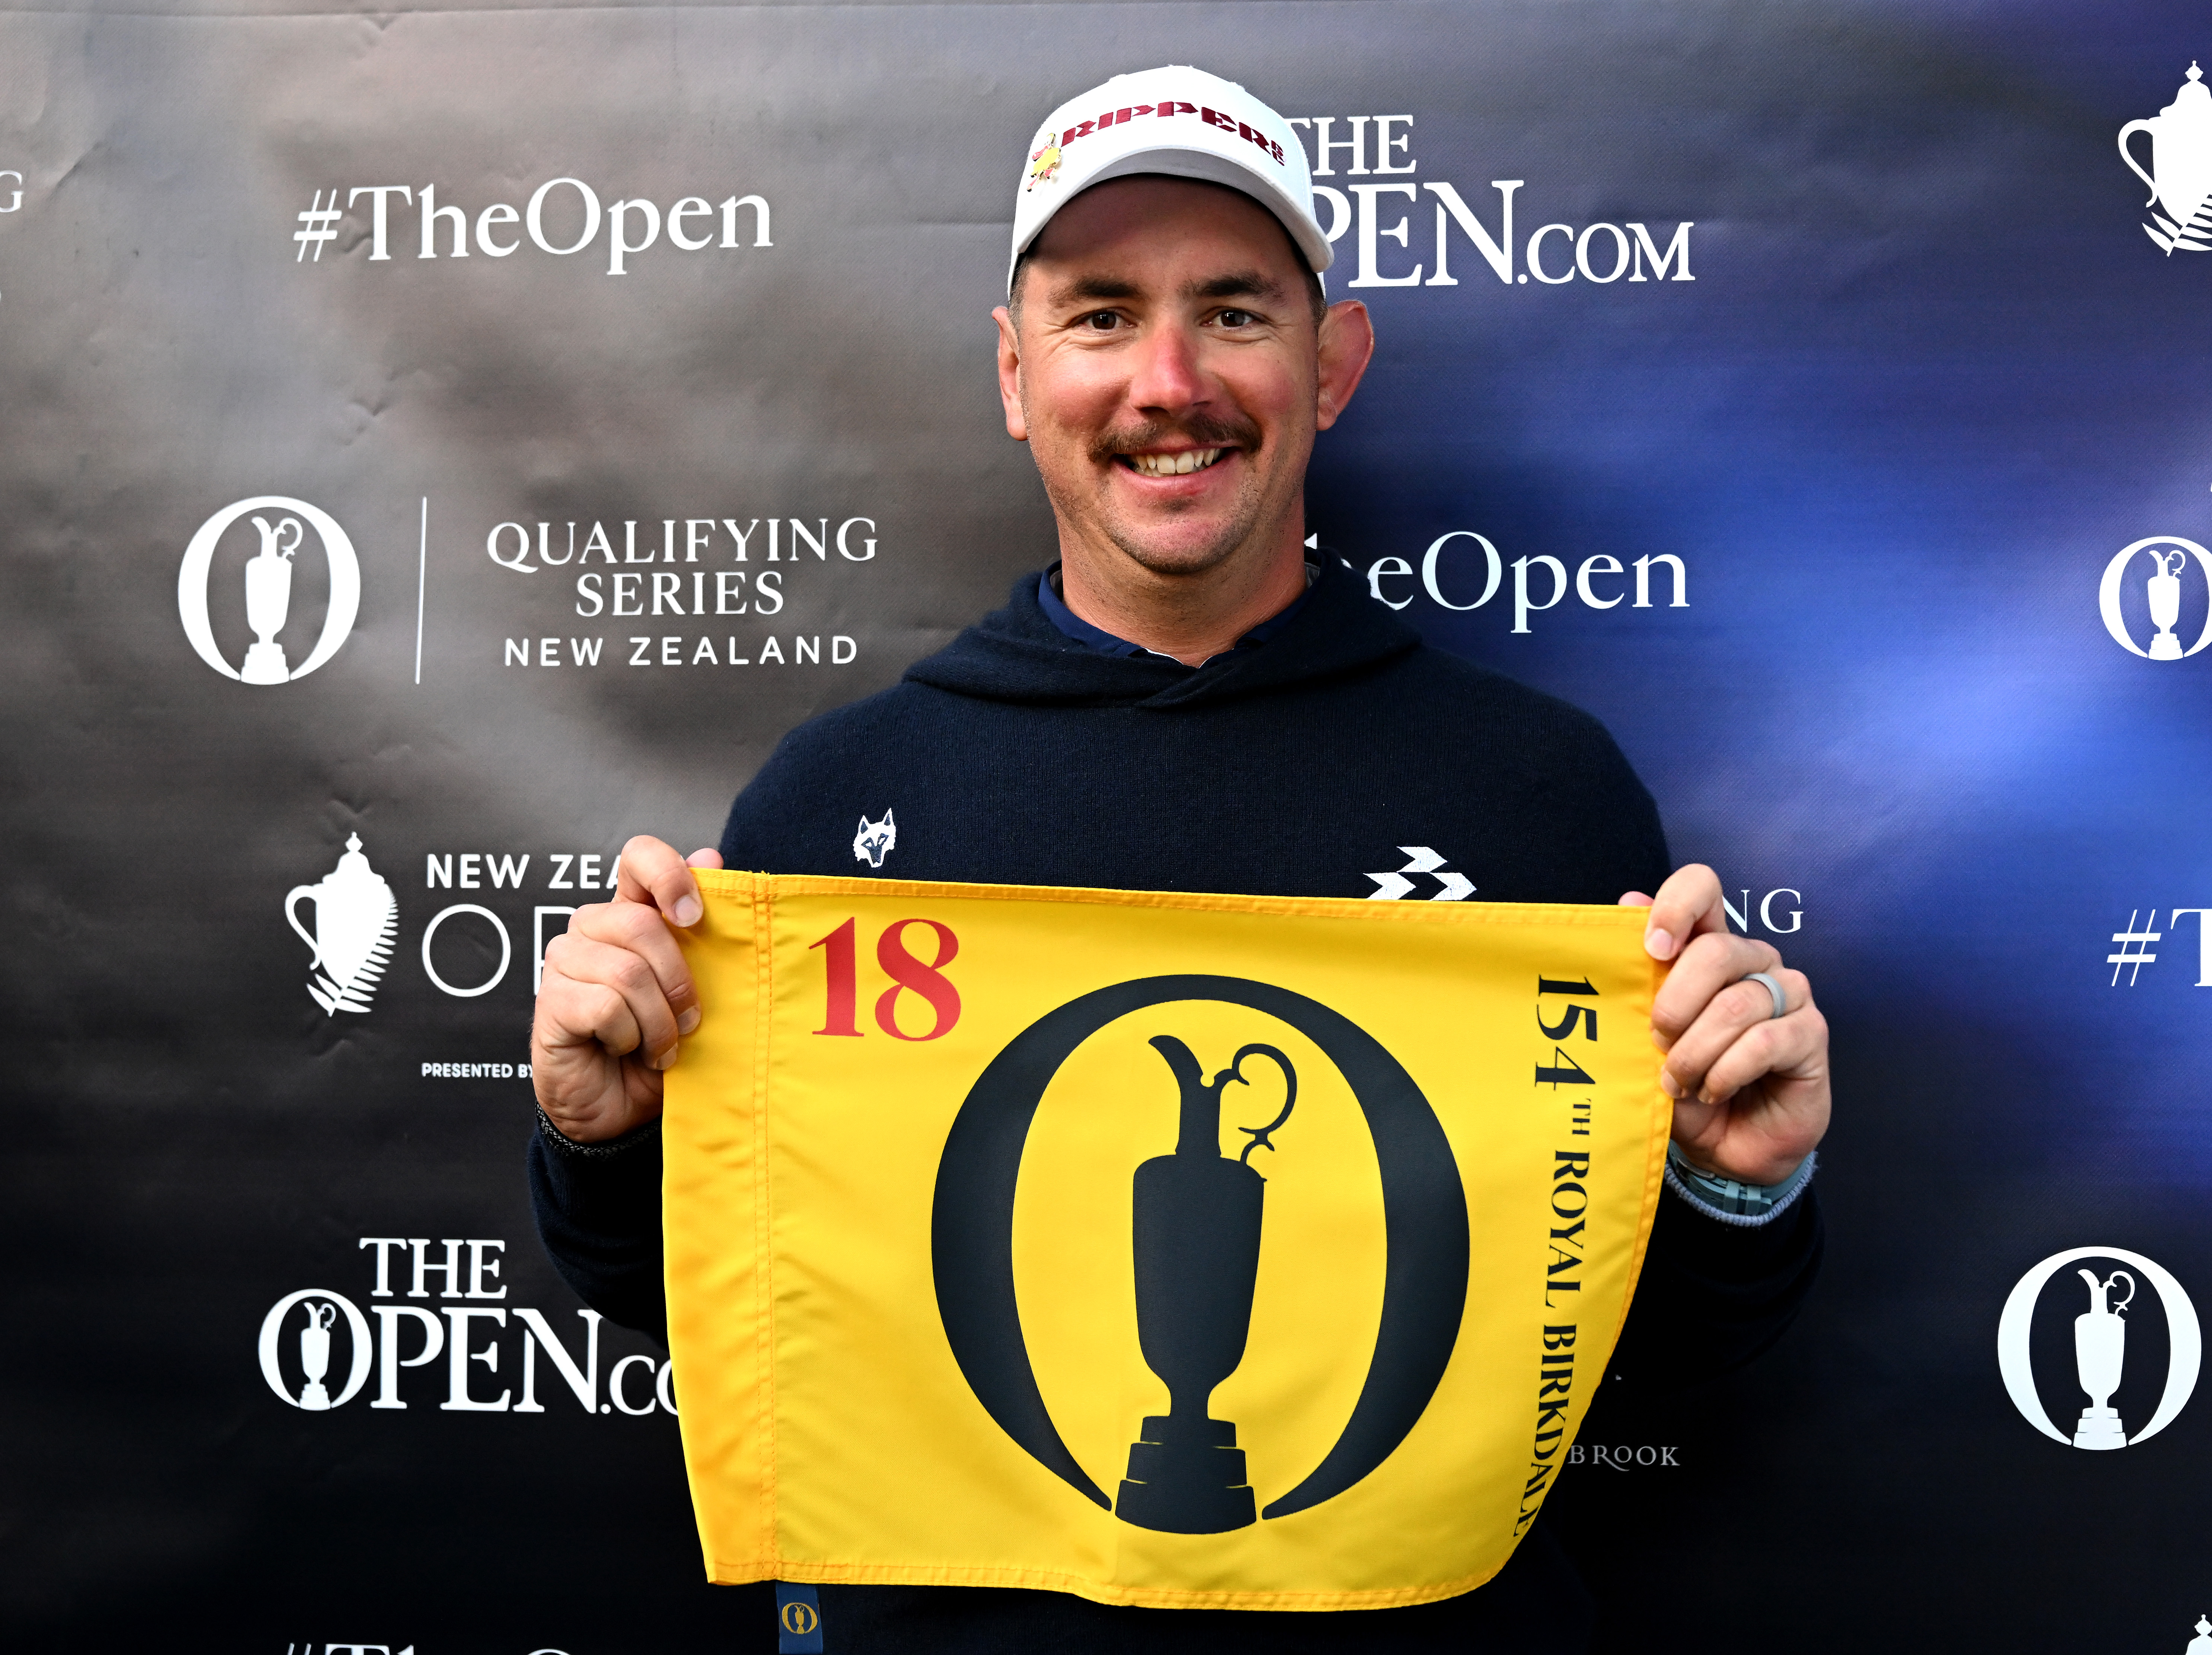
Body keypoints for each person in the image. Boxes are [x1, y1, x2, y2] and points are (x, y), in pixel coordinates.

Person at [529, 63, 1829, 1653]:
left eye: (1230, 310)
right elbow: (747, 1321)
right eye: (1096, 315)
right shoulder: (832, 805)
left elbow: (1644, 1340)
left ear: (1331, 361)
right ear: (1014, 374)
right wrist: (605, 1148)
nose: (1165, 378)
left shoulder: (1538, 795)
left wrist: (1730, 1183)